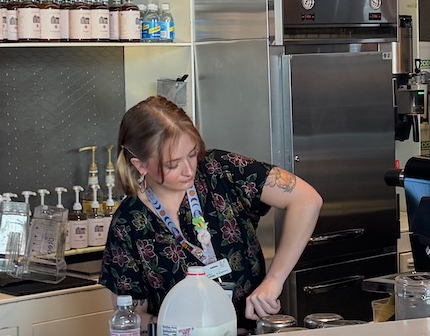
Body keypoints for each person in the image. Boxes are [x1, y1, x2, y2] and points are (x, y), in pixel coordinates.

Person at [101, 95, 322, 321]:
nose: (189, 170)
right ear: (140, 165)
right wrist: (191, 331)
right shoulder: (128, 223)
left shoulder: (221, 170)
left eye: (192, 154)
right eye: (172, 164)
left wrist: (274, 280)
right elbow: (131, 318)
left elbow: (307, 200)